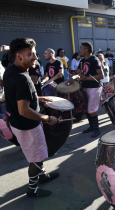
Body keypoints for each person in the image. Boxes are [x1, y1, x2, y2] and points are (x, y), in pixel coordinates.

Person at [4, 38, 59, 197]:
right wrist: (47, 118)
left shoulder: (10, 70)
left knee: (37, 154)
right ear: (19, 56)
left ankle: (41, 176)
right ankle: (32, 189)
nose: (36, 58)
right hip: (28, 125)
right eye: (31, 54)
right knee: (36, 157)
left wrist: (37, 98)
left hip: (19, 124)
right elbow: (23, 110)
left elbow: (17, 97)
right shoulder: (22, 78)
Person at [78, 42, 103, 138]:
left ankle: (96, 129)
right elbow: (80, 73)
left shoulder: (94, 59)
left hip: (94, 87)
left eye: (81, 48)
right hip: (85, 87)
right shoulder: (82, 61)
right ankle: (92, 127)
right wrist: (75, 75)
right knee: (86, 109)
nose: (80, 50)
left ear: (87, 49)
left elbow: (101, 75)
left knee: (92, 110)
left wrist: (86, 78)